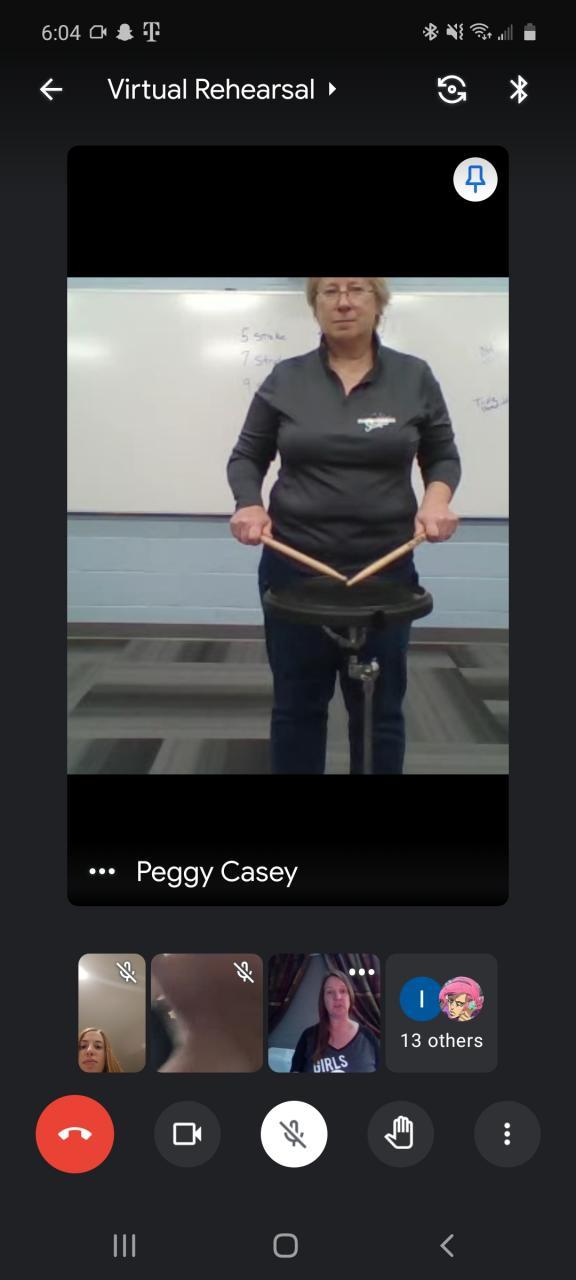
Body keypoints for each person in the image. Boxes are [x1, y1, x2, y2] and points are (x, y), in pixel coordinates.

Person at [227, 277, 461, 775]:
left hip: (385, 567)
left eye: (357, 289)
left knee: (379, 709)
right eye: (329, 291)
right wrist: (249, 505)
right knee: (297, 704)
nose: (344, 302)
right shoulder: (286, 378)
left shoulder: (414, 376)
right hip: (295, 566)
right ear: (315, 306)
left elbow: (442, 454)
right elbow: (247, 456)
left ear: (379, 302)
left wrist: (436, 501)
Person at [290, 970, 379, 1073]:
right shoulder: (308, 1037)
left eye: (343, 991)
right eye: (330, 992)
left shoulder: (367, 1036)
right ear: (323, 1000)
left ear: (350, 996)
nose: (337, 997)